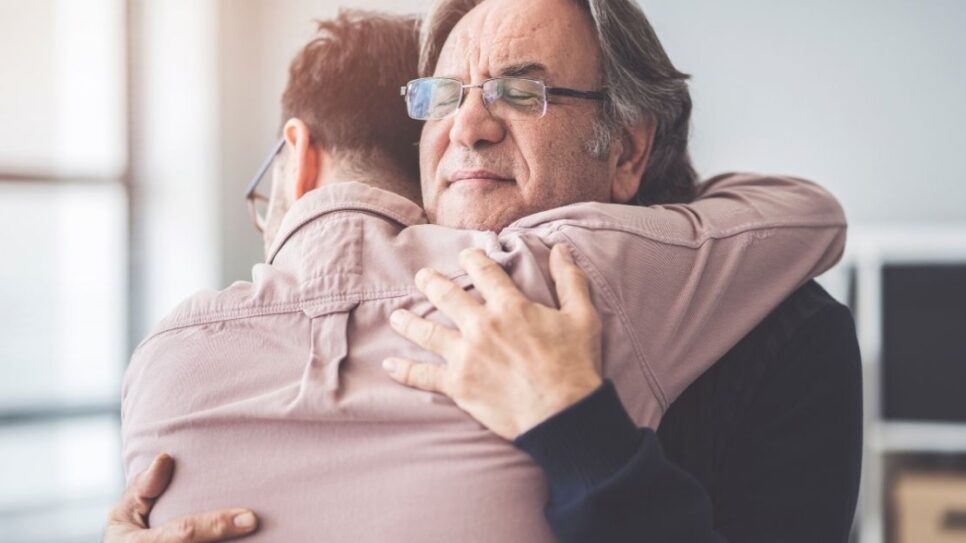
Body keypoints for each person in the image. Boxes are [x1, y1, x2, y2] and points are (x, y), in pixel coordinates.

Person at [106, 3, 860, 543]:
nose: (469, 124)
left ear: (627, 151)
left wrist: (574, 423)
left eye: (521, 90)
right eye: (444, 97)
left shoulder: (788, 332)